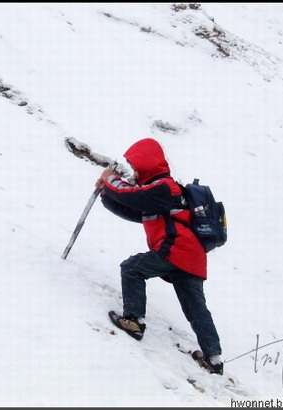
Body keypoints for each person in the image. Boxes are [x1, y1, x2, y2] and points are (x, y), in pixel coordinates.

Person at [95, 138, 223, 375]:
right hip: (191, 258)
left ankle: (134, 321)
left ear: (146, 162)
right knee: (195, 307)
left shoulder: (164, 187)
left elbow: (130, 196)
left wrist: (109, 179)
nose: (133, 171)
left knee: (132, 268)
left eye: (135, 165)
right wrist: (106, 194)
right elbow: (133, 211)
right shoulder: (158, 193)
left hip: (176, 249)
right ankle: (213, 359)